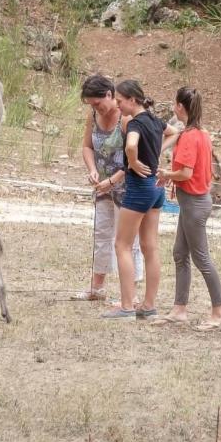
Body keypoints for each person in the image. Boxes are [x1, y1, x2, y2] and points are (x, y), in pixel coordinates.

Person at [101, 80, 179, 321]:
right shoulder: (156, 121)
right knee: (150, 246)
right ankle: (148, 305)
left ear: (133, 100)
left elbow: (131, 144)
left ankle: (126, 306)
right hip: (156, 188)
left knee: (122, 245)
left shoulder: (134, 122)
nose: (118, 105)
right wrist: (157, 152)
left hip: (139, 187)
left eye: (121, 101)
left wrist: (132, 161)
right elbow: (175, 133)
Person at [154, 87, 221, 331]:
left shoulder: (189, 137)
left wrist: (166, 174)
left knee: (201, 258)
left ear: (180, 107)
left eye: (175, 103)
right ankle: (179, 309)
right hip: (193, 202)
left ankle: (219, 313)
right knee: (180, 253)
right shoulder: (202, 134)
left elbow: (185, 173)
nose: (174, 107)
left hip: (194, 204)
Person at [72, 75, 144, 302]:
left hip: (127, 187)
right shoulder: (93, 115)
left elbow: (134, 159)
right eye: (91, 105)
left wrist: (112, 180)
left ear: (110, 95)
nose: (96, 108)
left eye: (98, 103)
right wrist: (92, 169)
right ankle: (97, 287)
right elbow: (87, 146)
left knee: (127, 239)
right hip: (102, 186)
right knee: (101, 233)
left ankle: (130, 293)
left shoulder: (125, 118)